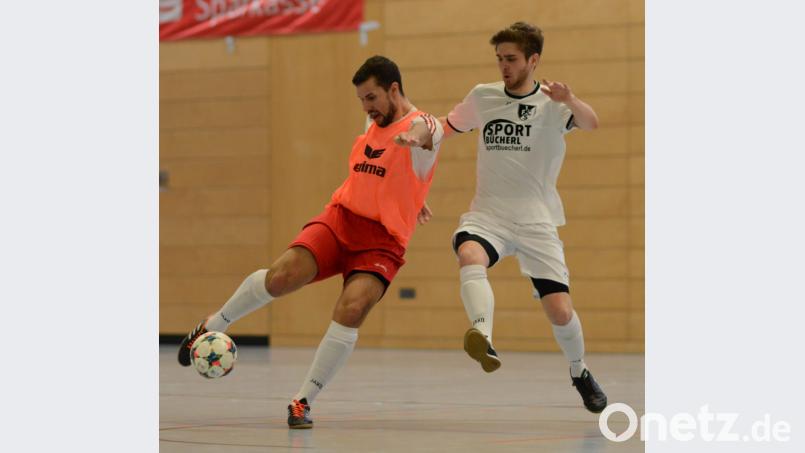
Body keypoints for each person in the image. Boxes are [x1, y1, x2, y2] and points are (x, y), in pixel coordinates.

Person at [176, 55, 444, 428]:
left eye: (371, 98)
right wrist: (412, 193)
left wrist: (414, 143)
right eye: (362, 101)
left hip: (382, 242)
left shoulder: (423, 124)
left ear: (393, 89)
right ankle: (213, 324)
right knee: (281, 277)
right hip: (341, 219)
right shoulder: (374, 119)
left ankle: (302, 400)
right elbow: (381, 169)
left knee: (351, 309)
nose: (366, 108)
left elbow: (427, 133)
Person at [438, 22, 607, 413]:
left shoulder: (554, 105)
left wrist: (571, 98)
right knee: (469, 254)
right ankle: (483, 335)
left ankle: (580, 371)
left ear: (533, 60)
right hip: (489, 215)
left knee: (560, 312)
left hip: (536, 220)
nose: (503, 66)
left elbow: (592, 122)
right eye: (499, 59)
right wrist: (420, 135)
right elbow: (447, 126)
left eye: (511, 59)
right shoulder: (483, 96)